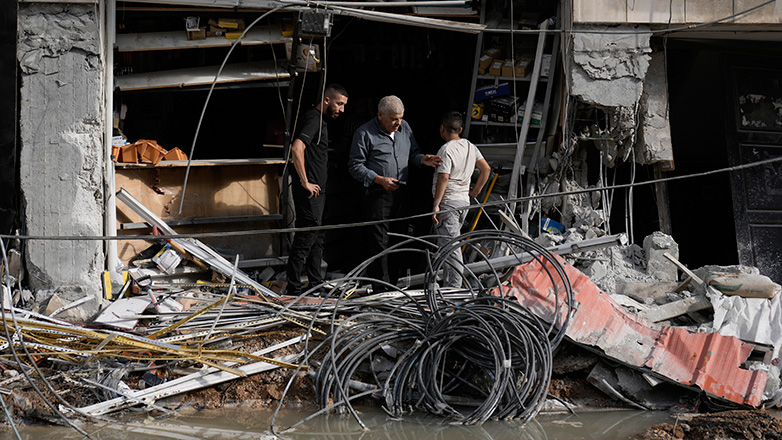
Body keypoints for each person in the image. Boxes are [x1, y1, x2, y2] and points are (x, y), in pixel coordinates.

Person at [348, 95, 442, 290]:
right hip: (377, 194)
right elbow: (355, 165)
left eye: (400, 117)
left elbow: (413, 153)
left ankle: (394, 286)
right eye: (393, 119)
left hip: (401, 193)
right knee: (379, 243)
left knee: (398, 240)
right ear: (380, 115)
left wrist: (422, 159)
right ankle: (379, 288)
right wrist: (379, 179)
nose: (397, 123)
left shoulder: (404, 128)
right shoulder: (364, 133)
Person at [285, 84, 349, 296]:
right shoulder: (313, 118)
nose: (341, 109)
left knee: (317, 239)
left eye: (344, 105)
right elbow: (297, 147)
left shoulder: (321, 120)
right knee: (306, 238)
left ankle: (315, 285)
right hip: (309, 191)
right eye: (339, 103)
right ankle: (293, 287)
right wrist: (304, 181)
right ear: (327, 100)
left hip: (318, 191)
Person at [431, 111, 491, 288]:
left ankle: (454, 289)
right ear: (461, 129)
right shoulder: (470, 146)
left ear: (442, 128)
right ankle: (448, 287)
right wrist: (475, 191)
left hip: (448, 203)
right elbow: (486, 169)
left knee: (451, 248)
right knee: (448, 246)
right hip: (463, 202)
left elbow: (444, 177)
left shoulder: (446, 149)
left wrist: (436, 204)